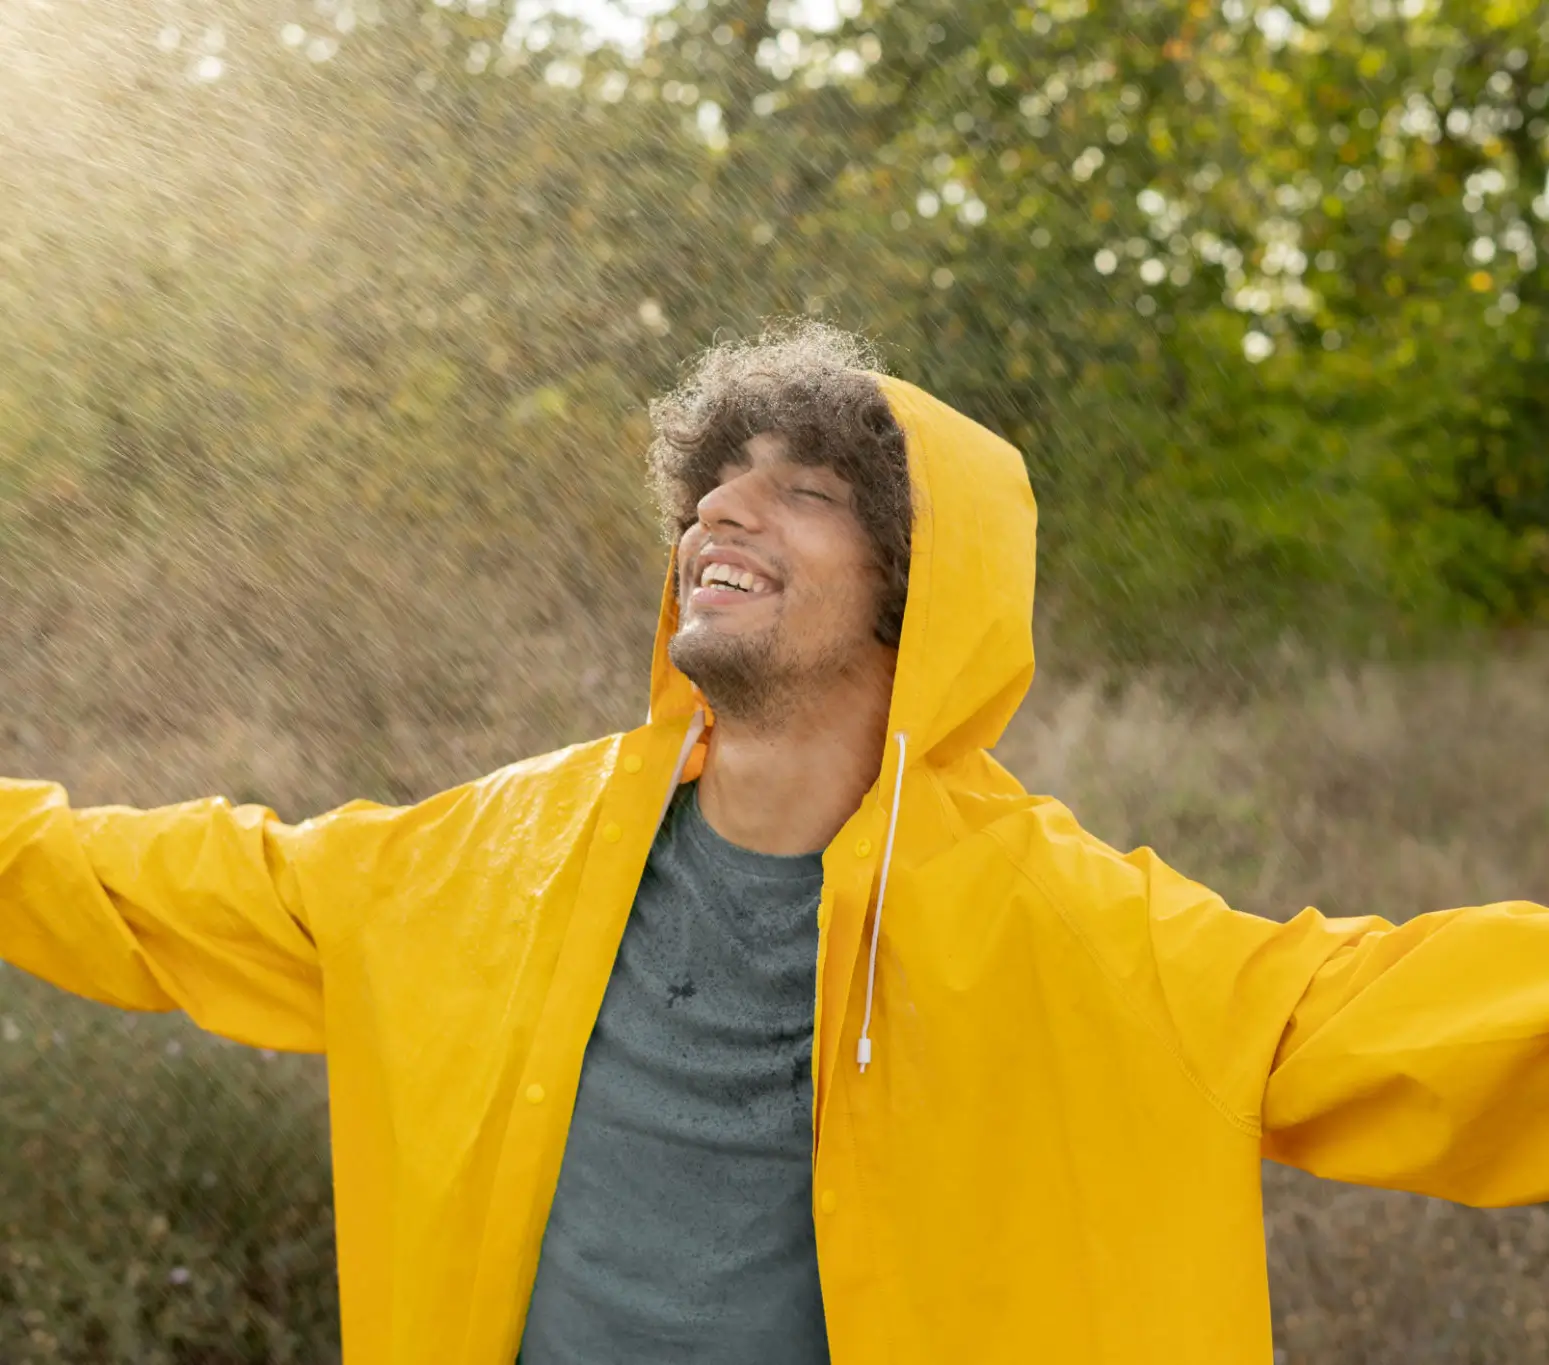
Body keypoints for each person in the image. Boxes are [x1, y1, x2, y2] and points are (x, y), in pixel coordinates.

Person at [1, 321, 1546, 1365]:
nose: (725, 516)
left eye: (801, 493)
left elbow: (1407, 1019)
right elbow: (151, 883)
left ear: (913, 593)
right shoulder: (496, 855)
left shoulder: (1078, 929)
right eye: (713, 489)